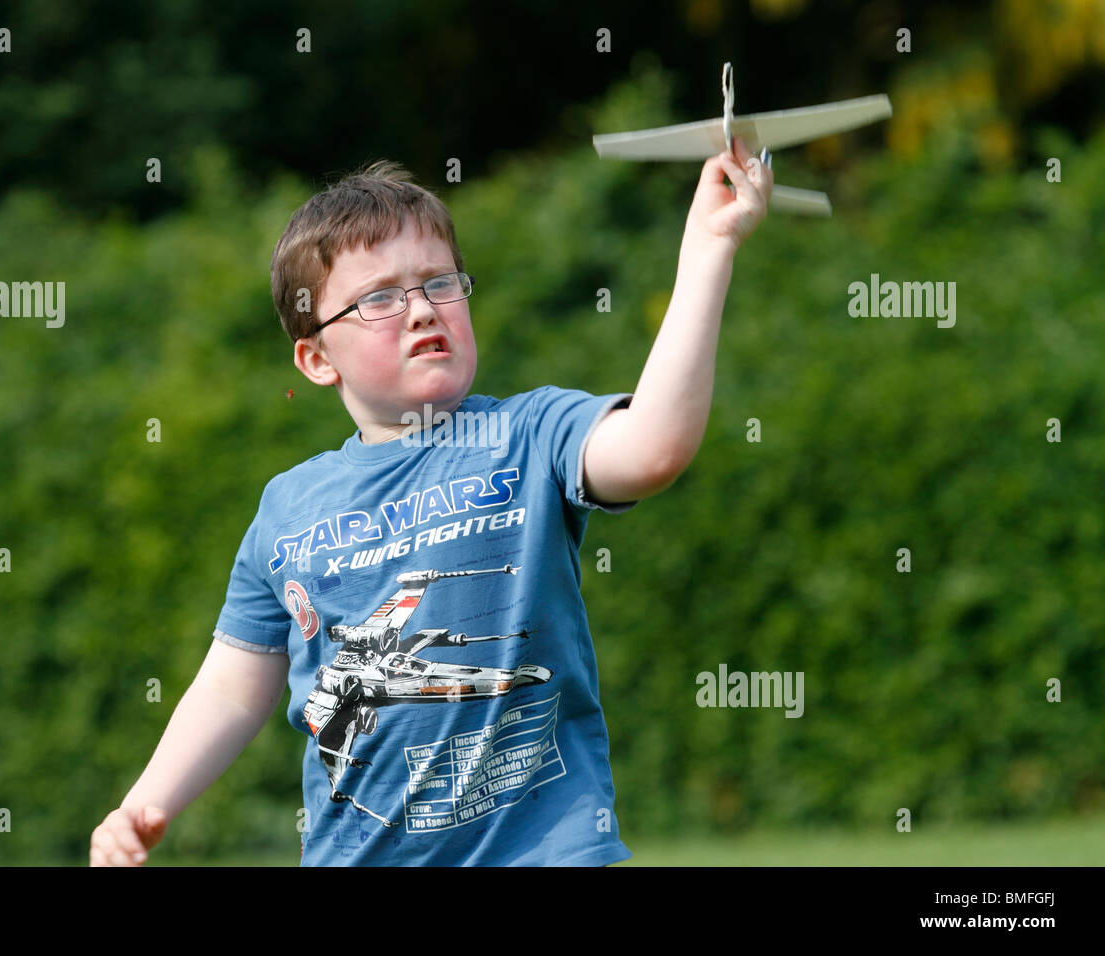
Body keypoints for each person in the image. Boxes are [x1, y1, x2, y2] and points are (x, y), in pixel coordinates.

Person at [91, 140, 772, 866]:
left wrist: (708, 248)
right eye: (379, 297)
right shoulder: (286, 508)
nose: (420, 309)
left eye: (440, 284)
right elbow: (231, 687)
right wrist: (145, 802)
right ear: (317, 358)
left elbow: (654, 448)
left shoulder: (529, 432)